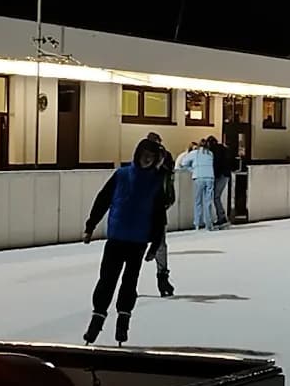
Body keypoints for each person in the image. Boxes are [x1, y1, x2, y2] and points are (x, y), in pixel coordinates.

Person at [82, 138, 167, 346]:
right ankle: (98, 316)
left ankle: (123, 318)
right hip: (117, 238)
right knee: (107, 280)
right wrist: (90, 225)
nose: (146, 159)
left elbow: (159, 216)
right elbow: (102, 200)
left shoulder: (156, 182)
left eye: (151, 156)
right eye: (144, 154)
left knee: (130, 282)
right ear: (137, 154)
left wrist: (155, 245)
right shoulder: (121, 175)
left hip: (137, 242)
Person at [143, 133, 177, 297]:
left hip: (157, 204)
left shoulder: (165, 156)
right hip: (149, 205)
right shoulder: (143, 156)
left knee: (160, 243)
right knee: (156, 244)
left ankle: (162, 277)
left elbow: (169, 173)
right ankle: (161, 276)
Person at [182, 139, 216, 231]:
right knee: (208, 202)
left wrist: (192, 169)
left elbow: (183, 162)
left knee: (198, 202)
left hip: (198, 177)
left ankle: (197, 224)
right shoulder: (210, 154)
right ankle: (208, 224)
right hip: (210, 177)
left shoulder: (194, 153)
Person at [207, 136, 233, 228]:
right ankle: (221, 217)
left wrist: (214, 175)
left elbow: (216, 164)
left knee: (216, 196)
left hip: (220, 175)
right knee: (217, 196)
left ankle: (221, 217)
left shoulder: (214, 151)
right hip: (226, 174)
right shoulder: (224, 149)